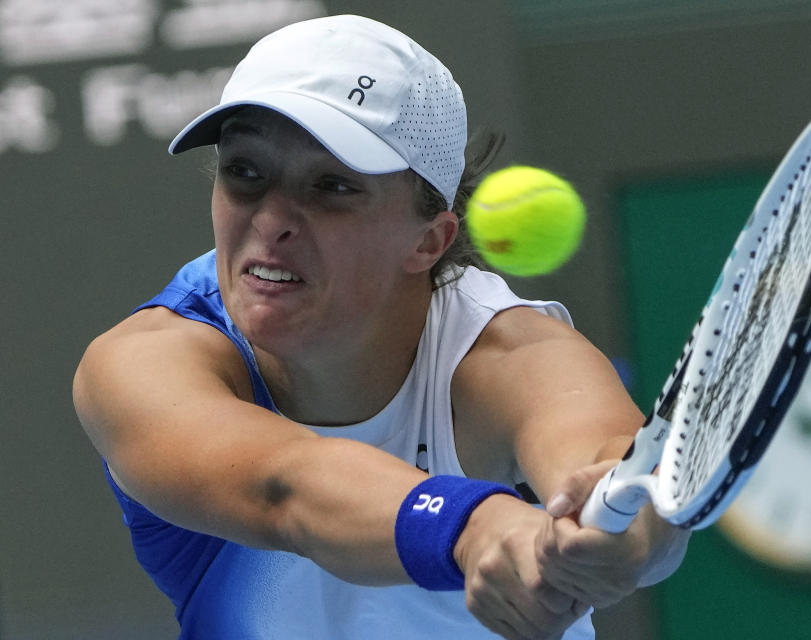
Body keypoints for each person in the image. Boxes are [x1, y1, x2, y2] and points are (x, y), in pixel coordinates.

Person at [72, 14, 689, 640]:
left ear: (429, 240)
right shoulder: (143, 365)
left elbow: (619, 482)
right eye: (246, 173)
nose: (271, 220)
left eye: (332, 186)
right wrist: (476, 529)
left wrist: (624, 541)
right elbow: (287, 488)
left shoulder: (511, 357)